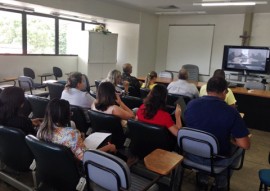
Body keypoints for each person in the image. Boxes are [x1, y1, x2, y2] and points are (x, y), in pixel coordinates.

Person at [185, 77, 250, 191]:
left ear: (207, 89)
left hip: (191, 154)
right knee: (240, 149)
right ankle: (221, 184)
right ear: (225, 92)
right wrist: (232, 140)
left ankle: (202, 179)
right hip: (216, 160)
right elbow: (245, 145)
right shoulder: (232, 112)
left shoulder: (191, 104)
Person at [37, 99, 116, 161]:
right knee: (110, 146)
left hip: (54, 166)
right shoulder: (72, 134)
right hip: (75, 168)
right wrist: (108, 147)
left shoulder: (42, 129)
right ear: (65, 117)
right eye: (70, 113)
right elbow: (85, 157)